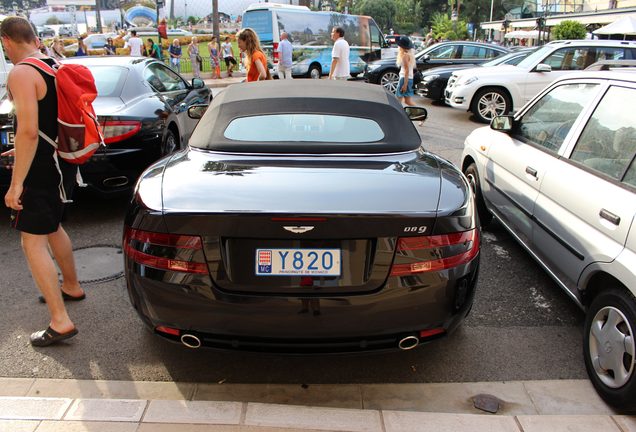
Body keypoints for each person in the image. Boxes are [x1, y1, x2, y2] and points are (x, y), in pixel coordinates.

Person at [0, 16, 84, 347]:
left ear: (6, 40)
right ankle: (72, 285)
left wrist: (15, 184)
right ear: (33, 38)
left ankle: (60, 321)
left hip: (38, 168)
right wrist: (17, 151)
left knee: (31, 241)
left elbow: (29, 130)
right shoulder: (50, 63)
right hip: (57, 162)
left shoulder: (21, 73)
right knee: (52, 227)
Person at [395, 36, 416, 106]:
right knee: (407, 101)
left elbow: (406, 70)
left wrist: (404, 85)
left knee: (398, 100)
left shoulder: (405, 56)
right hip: (409, 79)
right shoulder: (409, 55)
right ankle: (419, 113)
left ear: (401, 46)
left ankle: (419, 113)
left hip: (404, 79)